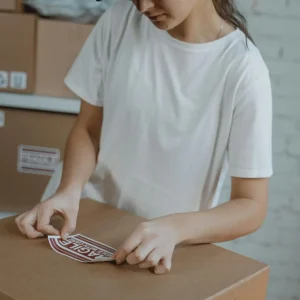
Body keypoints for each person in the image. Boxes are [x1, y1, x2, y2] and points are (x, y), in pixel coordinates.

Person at [15, 0, 273, 275]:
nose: (142, 6)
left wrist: (175, 228)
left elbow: (251, 205)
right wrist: (69, 190)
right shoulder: (119, 21)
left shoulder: (243, 69)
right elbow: (89, 128)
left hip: (151, 251)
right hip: (80, 225)